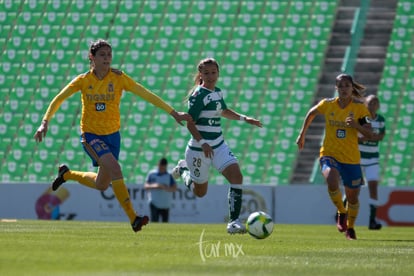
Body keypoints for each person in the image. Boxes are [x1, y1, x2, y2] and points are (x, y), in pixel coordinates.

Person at [34, 39, 191, 233]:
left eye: (109, 54)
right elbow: (59, 98)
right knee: (116, 169)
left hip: (113, 136)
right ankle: (134, 218)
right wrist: (45, 122)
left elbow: (146, 94)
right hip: (91, 136)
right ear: (92, 57)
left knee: (102, 184)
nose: (107, 58)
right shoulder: (83, 80)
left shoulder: (119, 78)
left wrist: (173, 112)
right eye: (102, 54)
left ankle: (67, 174)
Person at [171, 58, 263, 234]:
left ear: (218, 73)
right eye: (206, 73)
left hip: (218, 145)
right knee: (200, 193)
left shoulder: (218, 92)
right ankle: (183, 169)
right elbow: (191, 123)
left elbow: (224, 111)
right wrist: (203, 143)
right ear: (201, 75)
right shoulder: (198, 96)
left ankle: (234, 222)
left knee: (237, 176)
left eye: (213, 72)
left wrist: (245, 118)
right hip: (199, 149)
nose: (211, 76)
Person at [296, 73, 373, 240]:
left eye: (347, 85)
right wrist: (302, 134)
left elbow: (369, 134)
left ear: (352, 87)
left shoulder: (360, 109)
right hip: (329, 153)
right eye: (341, 86)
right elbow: (311, 113)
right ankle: (341, 212)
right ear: (336, 88)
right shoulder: (328, 104)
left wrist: (355, 126)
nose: (344, 89)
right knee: (331, 179)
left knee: (353, 197)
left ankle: (350, 228)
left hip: (351, 159)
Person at [358, 94, 386, 230]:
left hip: (372, 158)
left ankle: (372, 220)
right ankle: (342, 215)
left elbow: (381, 135)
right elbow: (354, 137)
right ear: (365, 104)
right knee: (353, 188)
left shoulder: (381, 120)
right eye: (370, 103)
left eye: (375, 103)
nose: (372, 105)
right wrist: (364, 138)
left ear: (378, 105)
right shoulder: (360, 119)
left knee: (373, 188)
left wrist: (371, 136)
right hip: (358, 157)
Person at [144, 158, 177, 223]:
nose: (161, 167)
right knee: (154, 222)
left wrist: (165, 188)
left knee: (165, 224)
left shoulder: (169, 175)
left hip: (165, 204)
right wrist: (156, 185)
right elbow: (146, 186)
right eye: (160, 165)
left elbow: (174, 188)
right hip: (154, 202)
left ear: (165, 166)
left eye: (162, 166)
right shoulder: (152, 174)